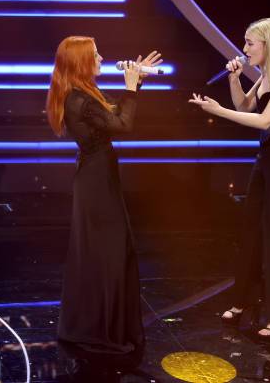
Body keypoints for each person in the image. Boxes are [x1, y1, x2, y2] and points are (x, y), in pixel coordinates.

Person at [189, 18, 270, 348]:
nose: (244, 50)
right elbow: (245, 105)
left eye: (249, 43)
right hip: (267, 155)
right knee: (250, 231)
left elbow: (265, 119)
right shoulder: (266, 74)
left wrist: (218, 111)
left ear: (269, 44)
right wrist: (234, 79)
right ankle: (243, 299)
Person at [46, 35, 162, 371]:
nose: (102, 57)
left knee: (108, 252)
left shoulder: (84, 93)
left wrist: (136, 80)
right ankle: (100, 331)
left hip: (99, 180)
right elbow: (123, 124)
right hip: (96, 186)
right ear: (81, 61)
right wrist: (131, 88)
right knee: (108, 254)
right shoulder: (78, 100)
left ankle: (95, 324)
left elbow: (112, 113)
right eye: (96, 54)